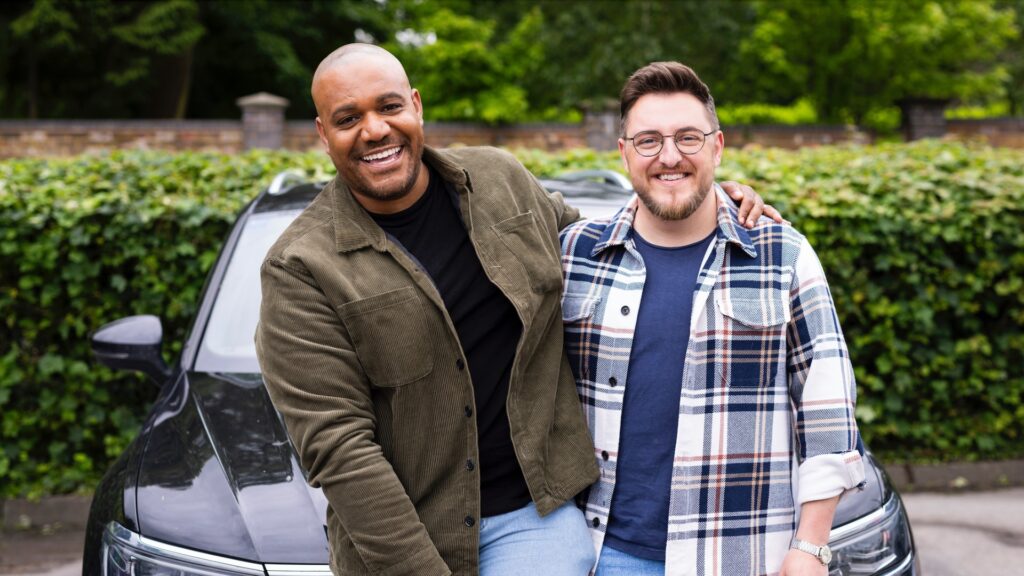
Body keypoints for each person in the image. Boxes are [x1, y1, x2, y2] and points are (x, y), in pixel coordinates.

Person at [256, 43, 776, 576]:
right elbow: (340, 449)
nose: (374, 130)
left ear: (415, 105)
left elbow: (613, 251)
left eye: (389, 107)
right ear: (323, 133)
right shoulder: (300, 268)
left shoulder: (500, 180)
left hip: (534, 517)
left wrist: (705, 198)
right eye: (348, 119)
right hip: (406, 539)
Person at [560, 61, 865, 576]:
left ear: (718, 147)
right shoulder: (575, 255)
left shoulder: (782, 256)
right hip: (600, 556)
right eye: (649, 141)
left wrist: (810, 547)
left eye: (688, 138)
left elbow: (827, 408)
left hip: (741, 557)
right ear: (624, 153)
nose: (670, 156)